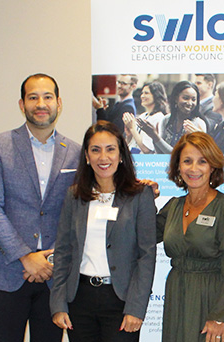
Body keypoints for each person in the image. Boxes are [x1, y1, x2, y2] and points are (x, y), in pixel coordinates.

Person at [0, 74, 81, 342]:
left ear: (59, 103)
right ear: (22, 104)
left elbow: (80, 211)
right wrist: (25, 256)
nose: (40, 104)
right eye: (33, 97)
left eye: (47, 97)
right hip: (8, 272)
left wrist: (52, 257)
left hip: (53, 276)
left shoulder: (76, 152)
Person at [50, 121, 157, 341]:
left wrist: (136, 308)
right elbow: (63, 252)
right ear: (87, 157)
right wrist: (58, 303)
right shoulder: (74, 195)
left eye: (110, 149)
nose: (103, 157)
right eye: (95, 150)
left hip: (120, 300)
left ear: (121, 155)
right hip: (79, 299)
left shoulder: (140, 195)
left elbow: (146, 256)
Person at [156, 132, 224, 342]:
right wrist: (139, 196)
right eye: (187, 161)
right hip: (178, 297)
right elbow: (142, 234)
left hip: (214, 300)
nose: (194, 169)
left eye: (202, 161)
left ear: (212, 166)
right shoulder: (173, 207)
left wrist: (219, 317)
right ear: (178, 166)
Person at [138, 81, 207, 154]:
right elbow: (160, 153)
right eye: (185, 98)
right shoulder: (166, 120)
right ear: (176, 98)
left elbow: (180, 156)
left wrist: (155, 136)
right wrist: (154, 136)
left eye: (193, 99)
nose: (189, 103)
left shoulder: (199, 124)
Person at [123, 81, 169, 154]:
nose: (142, 96)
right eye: (142, 93)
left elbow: (147, 150)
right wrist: (129, 135)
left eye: (146, 93)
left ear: (156, 95)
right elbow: (131, 143)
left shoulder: (159, 118)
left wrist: (133, 128)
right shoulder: (143, 115)